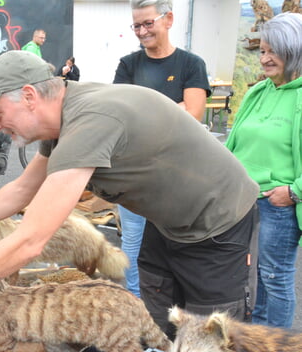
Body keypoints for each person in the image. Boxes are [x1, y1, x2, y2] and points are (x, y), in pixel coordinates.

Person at [0, 51, 260, 339]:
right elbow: (22, 189)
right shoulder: (61, 117)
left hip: (217, 225)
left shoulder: (89, 122)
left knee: (213, 338)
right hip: (167, 224)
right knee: (161, 328)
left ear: (29, 96)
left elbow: (30, 240)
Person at [113, 0, 211, 298]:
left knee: (177, 247)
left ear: (168, 19)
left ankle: (171, 313)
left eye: (147, 23)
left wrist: (145, 113)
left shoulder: (191, 64)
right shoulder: (128, 65)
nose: (141, 32)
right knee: (132, 245)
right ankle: (137, 309)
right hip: (135, 178)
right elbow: (122, 117)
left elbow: (194, 113)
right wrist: (173, 109)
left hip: (178, 180)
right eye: (136, 25)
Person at [226, 12, 302, 329]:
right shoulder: (259, 92)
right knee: (254, 280)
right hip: (245, 201)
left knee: (275, 279)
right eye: (263, 51)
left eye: (274, 51)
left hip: (278, 205)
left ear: (294, 50)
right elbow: (232, 144)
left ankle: (279, 345)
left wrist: (295, 191)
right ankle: (258, 338)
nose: (265, 59)